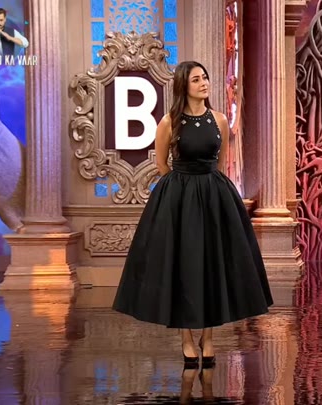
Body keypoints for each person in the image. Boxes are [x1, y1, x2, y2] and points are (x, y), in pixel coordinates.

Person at [112, 61, 273, 368]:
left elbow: (220, 162)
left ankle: (207, 338)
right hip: (180, 199)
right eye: (196, 79)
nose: (204, 83)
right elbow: (162, 164)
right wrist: (181, 191)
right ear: (183, 86)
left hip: (214, 197)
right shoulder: (169, 122)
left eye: (205, 78)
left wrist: (208, 187)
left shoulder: (220, 120)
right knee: (184, 266)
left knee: (212, 265)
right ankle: (186, 338)